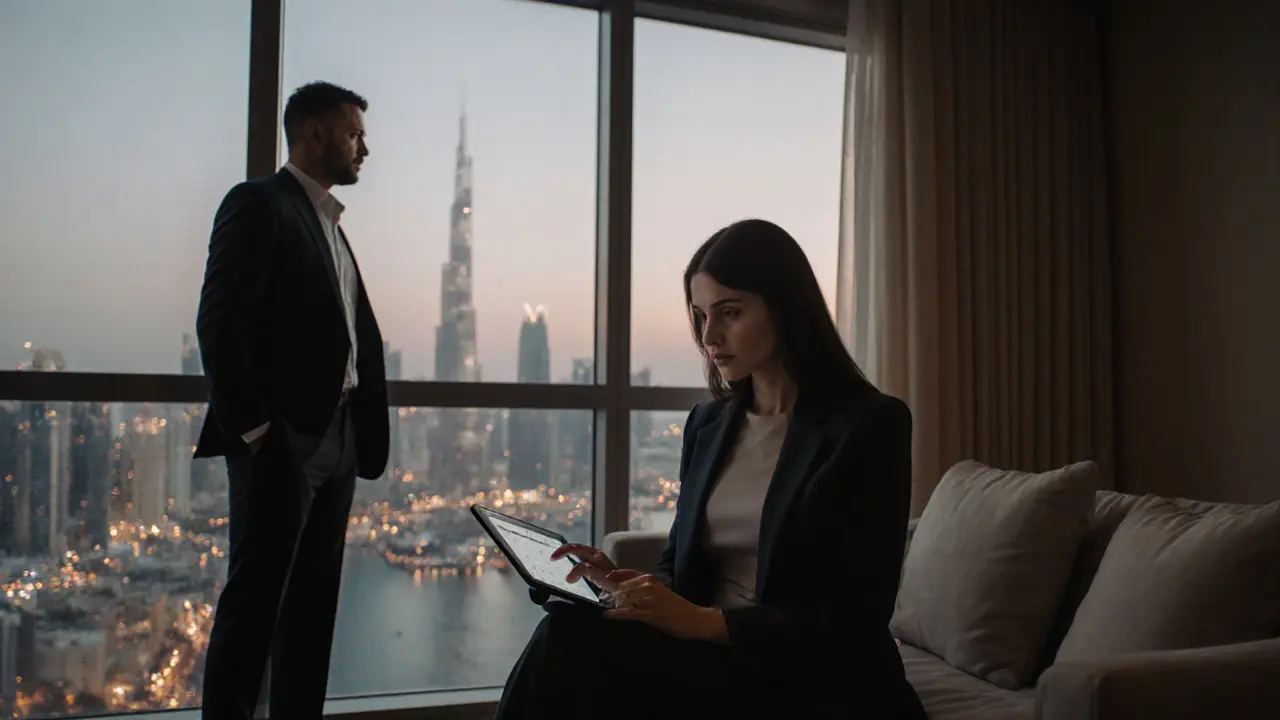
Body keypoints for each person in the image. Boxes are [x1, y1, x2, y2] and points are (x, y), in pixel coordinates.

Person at [496, 219, 927, 719]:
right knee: (569, 626)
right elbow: (682, 563)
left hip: (809, 677)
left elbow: (856, 618)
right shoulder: (709, 424)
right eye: (701, 316)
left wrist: (703, 623)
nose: (709, 336)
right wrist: (626, 583)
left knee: (570, 646)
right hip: (714, 659)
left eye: (730, 313)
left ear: (786, 308)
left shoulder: (870, 425)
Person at [194, 81, 389, 719]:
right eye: (354, 133)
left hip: (338, 439)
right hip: (282, 440)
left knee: (312, 611)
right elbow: (219, 326)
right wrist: (258, 435)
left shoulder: (330, 226)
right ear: (314, 134)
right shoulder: (258, 205)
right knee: (254, 610)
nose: (365, 147)